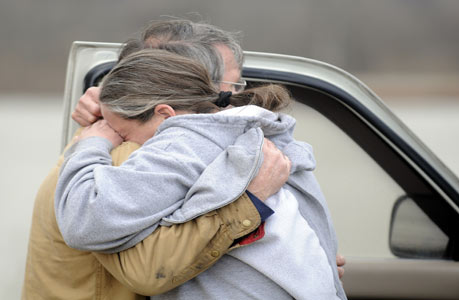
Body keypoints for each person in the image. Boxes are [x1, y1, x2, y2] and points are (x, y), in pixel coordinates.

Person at [21, 22, 292, 300]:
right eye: (232, 85)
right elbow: (148, 269)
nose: (234, 99)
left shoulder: (131, 143)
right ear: (177, 82)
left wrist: (297, 265)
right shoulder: (126, 154)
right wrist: (250, 201)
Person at [55, 48, 347, 299]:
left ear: (165, 115)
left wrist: (92, 142)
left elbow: (84, 220)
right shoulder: (262, 133)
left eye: (121, 131)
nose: (123, 142)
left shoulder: (184, 144)